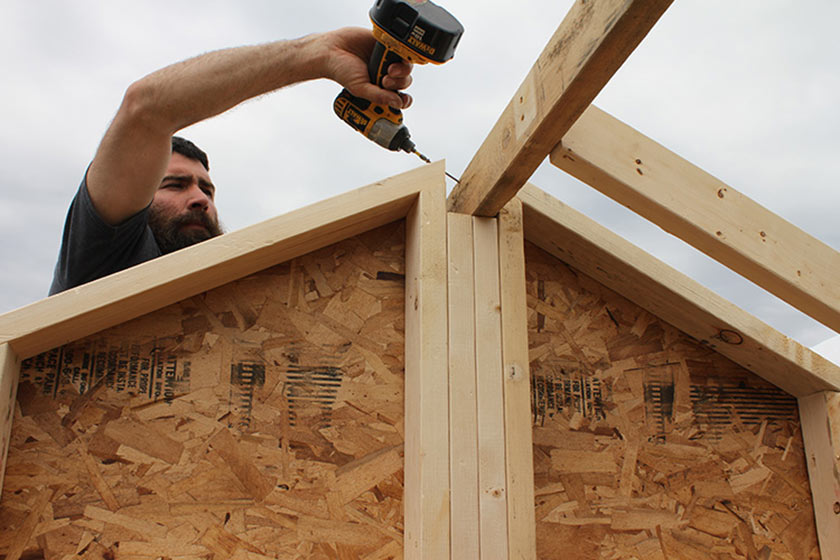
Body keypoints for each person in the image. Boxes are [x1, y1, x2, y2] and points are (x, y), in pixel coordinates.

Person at [49, 28, 414, 295]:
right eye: (175, 184)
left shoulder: (224, 302)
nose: (200, 199)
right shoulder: (106, 254)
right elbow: (147, 109)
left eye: (206, 188)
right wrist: (315, 54)